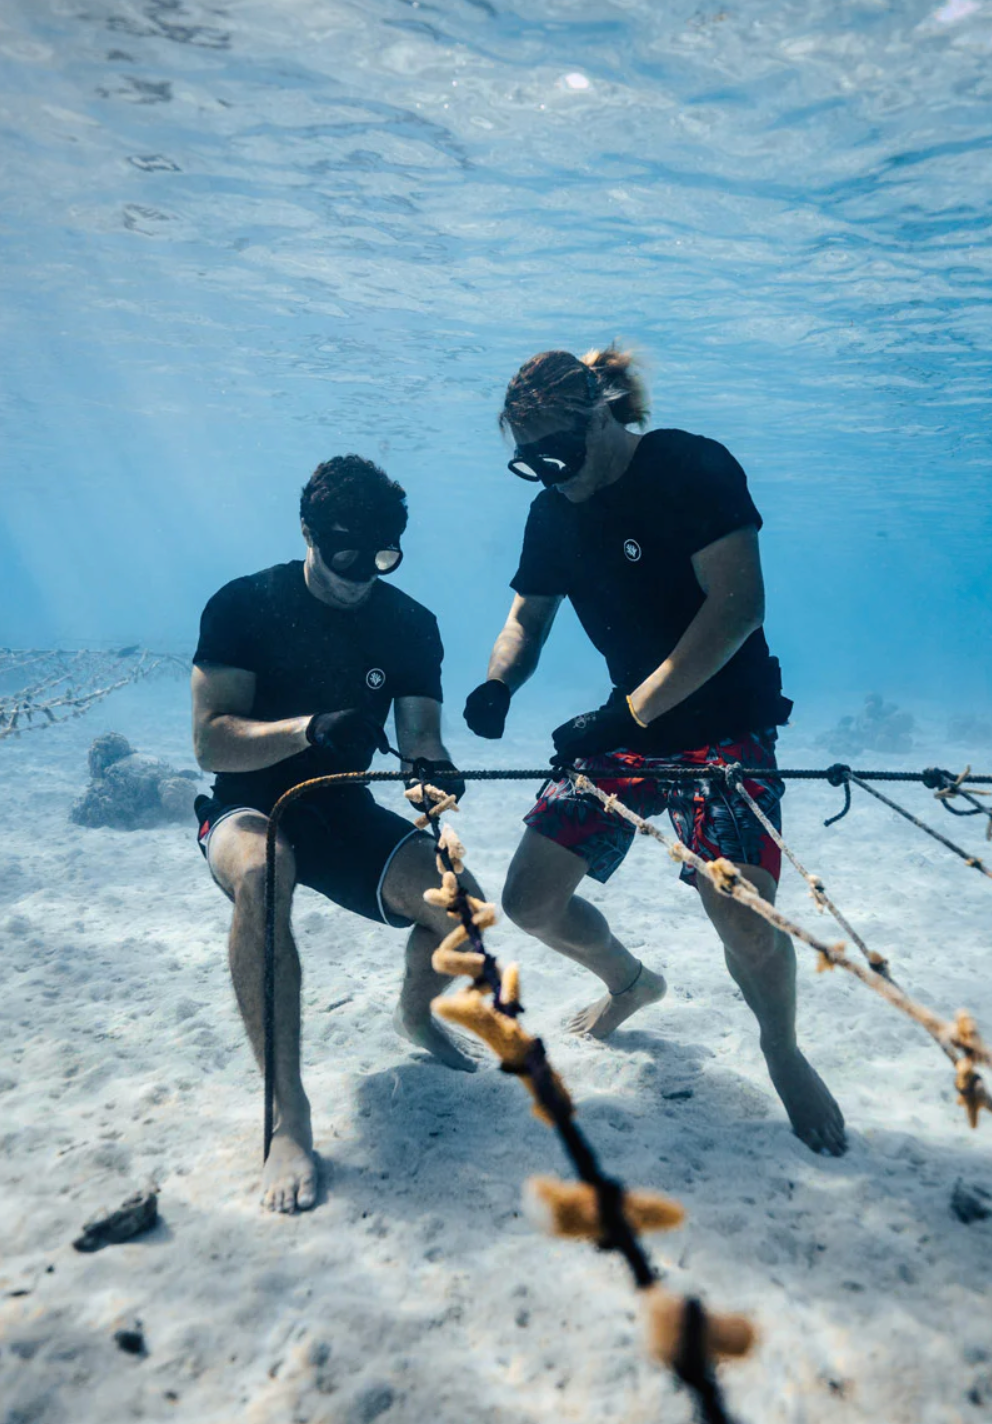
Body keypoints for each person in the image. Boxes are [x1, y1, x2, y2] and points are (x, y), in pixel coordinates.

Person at [463, 345, 846, 1156]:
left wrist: (625, 717)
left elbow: (737, 607)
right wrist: (500, 682)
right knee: (530, 901)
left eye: (558, 453)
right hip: (627, 729)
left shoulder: (690, 467)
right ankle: (630, 983)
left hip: (723, 726)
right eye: (529, 464)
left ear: (600, 416)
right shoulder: (554, 509)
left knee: (742, 919)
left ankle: (781, 1046)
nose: (550, 475)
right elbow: (527, 619)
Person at [192, 454, 480, 1214]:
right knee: (261, 875)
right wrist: (308, 728)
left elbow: (422, 736)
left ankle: (415, 1016)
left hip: (343, 813)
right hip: (251, 807)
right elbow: (212, 743)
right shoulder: (243, 605)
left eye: (382, 556)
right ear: (308, 533)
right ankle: (289, 1117)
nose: (360, 573)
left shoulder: (411, 624)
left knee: (464, 908)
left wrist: (432, 774)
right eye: (344, 551)